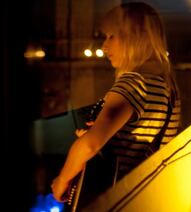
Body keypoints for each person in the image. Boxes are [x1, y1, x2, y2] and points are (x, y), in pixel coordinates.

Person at [51, 2, 180, 203]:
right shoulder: (164, 86)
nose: (104, 46)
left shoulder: (133, 83)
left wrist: (62, 179)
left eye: (112, 36)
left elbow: (90, 145)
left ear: (136, 38)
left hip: (117, 197)